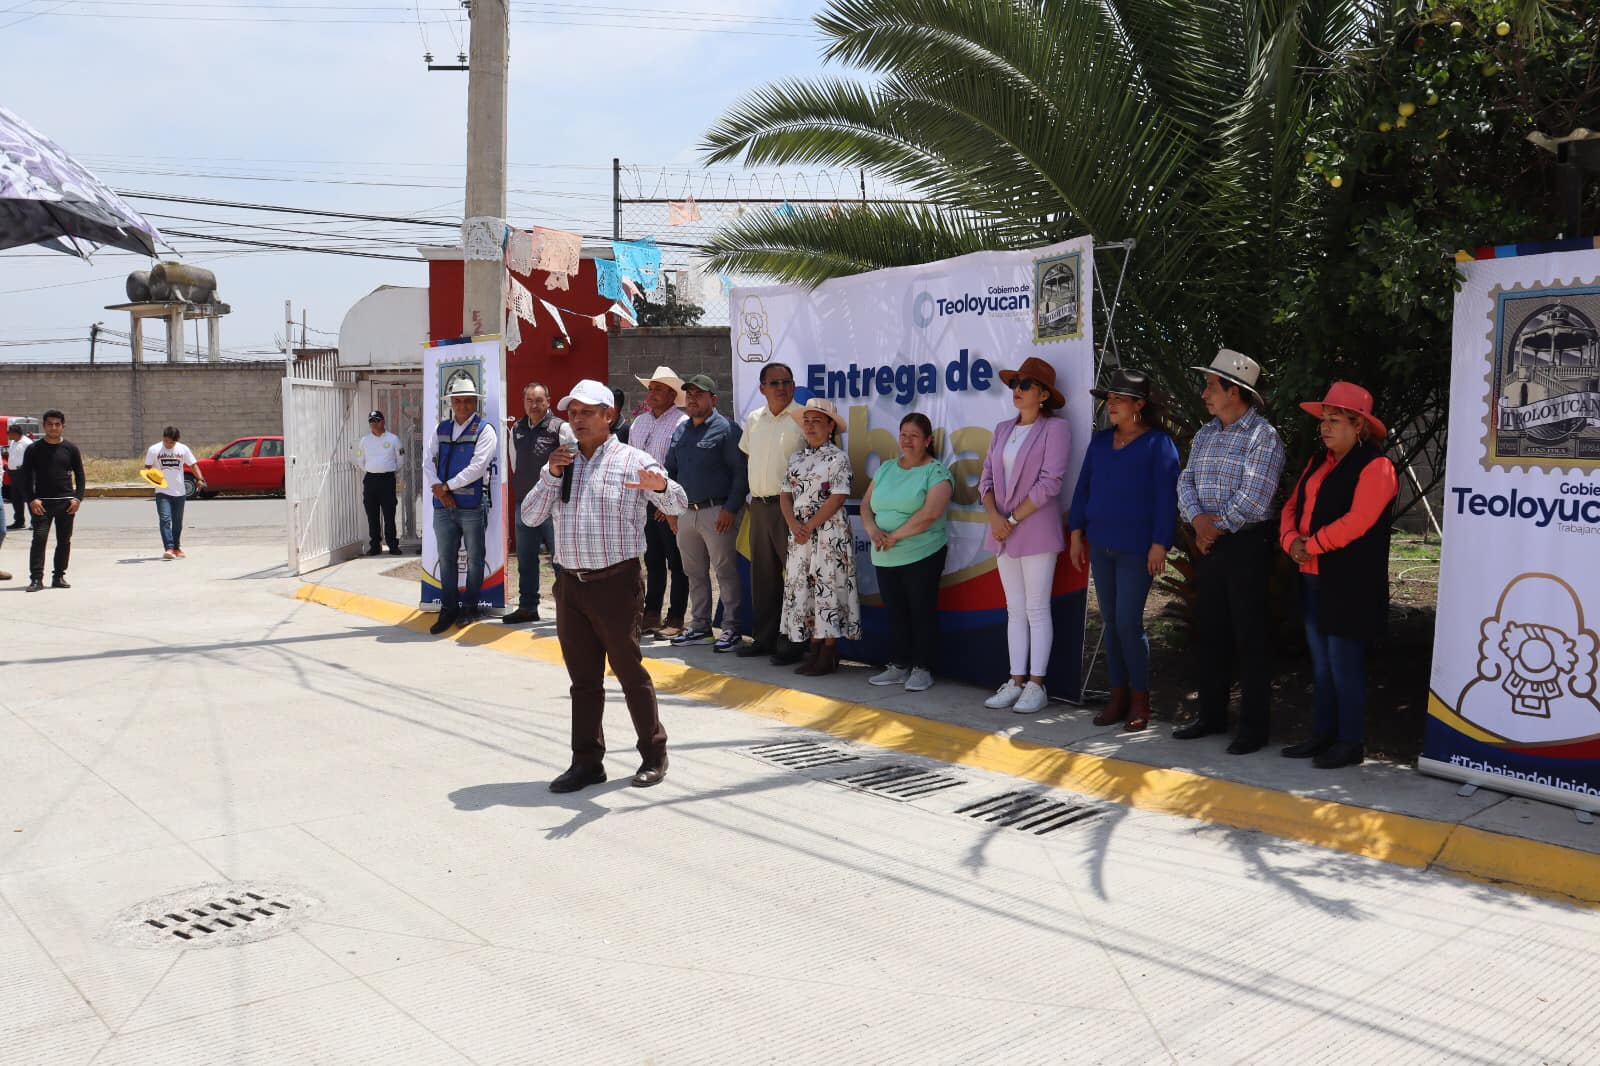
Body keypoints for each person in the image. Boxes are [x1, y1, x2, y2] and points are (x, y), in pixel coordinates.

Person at [520, 378, 688, 793]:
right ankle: (587, 762)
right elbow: (529, 516)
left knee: (629, 672)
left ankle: (654, 753)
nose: (577, 420)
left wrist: (662, 487)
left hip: (617, 584)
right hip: (570, 586)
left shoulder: (634, 460)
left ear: (609, 415)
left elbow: (679, 503)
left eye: (586, 412)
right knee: (583, 680)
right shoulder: (561, 463)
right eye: (572, 413)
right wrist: (551, 475)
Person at [1278, 382, 1397, 769]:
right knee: (1322, 664)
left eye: (1334, 420)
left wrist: (1310, 545)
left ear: (1358, 425)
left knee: (1344, 663)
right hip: (1313, 576)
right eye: (1323, 421)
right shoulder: (1317, 461)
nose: (1325, 428)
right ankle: (1323, 735)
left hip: (1351, 582)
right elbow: (1293, 506)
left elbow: (1359, 521)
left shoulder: (1377, 467)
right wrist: (1290, 539)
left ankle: (1350, 742)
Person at [1174, 349, 1287, 754]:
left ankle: (1253, 729)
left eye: (1211, 385)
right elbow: (1184, 482)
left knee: (1249, 636)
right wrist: (1199, 523)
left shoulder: (1263, 437)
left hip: (1244, 547)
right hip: (1210, 544)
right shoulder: (1205, 434)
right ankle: (1211, 716)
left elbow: (1255, 500)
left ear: (1235, 391)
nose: (1204, 392)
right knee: (1212, 632)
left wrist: (1210, 526)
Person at [1068, 368, 1181, 732]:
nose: (1111, 405)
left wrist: (1160, 543)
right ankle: (1117, 696)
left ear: (1139, 405)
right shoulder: (1100, 442)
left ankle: (1139, 699)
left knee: (1129, 623)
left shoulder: (1159, 445)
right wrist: (1076, 532)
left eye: (1118, 399)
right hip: (1101, 544)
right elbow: (1083, 488)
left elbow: (1167, 499)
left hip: (1137, 549)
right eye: (1109, 399)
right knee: (1110, 622)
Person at [978, 357, 1072, 714]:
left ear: (1044, 394)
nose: (1017, 390)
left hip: (1034, 529)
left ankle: (1037, 684)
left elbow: (1051, 483)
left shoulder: (1056, 430)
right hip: (1001, 528)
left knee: (1036, 608)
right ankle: (1015, 681)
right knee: (1014, 609)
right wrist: (994, 517)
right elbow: (985, 479)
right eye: (1015, 383)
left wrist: (1011, 519)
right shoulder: (1002, 429)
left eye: (1025, 385)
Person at [861, 413, 954, 693]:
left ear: (927, 440)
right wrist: (872, 531)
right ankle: (899, 666)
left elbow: (930, 514)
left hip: (922, 552)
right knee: (896, 611)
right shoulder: (886, 468)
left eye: (914, 435)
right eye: (903, 434)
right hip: (884, 552)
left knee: (921, 611)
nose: (907, 440)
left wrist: (894, 536)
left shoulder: (937, 473)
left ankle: (922, 668)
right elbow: (866, 504)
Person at [664, 374, 748, 652]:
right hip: (686, 513)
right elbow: (671, 472)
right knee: (694, 572)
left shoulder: (726, 429)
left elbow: (740, 473)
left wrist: (730, 508)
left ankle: (731, 628)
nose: (692, 400)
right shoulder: (681, 430)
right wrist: (671, 510)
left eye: (699, 395)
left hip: (717, 513)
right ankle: (700, 627)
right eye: (689, 395)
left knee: (725, 571)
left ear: (713, 399)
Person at [780, 398, 860, 676]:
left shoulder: (838, 457)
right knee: (806, 588)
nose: (811, 426)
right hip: (800, 536)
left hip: (828, 534)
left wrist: (810, 525)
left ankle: (828, 651)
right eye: (808, 421)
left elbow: (838, 497)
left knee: (829, 586)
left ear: (830, 427)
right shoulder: (796, 458)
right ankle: (813, 648)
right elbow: (785, 494)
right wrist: (794, 524)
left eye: (817, 421)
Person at [740, 362, 804, 664]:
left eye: (787, 382)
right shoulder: (754, 419)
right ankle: (764, 638)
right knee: (763, 578)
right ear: (762, 387)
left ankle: (794, 642)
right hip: (760, 507)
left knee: (795, 578)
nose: (782, 387)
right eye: (775, 382)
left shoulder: (804, 418)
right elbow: (750, 459)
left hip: (791, 509)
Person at [423, 378, 497, 635]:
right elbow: (428, 462)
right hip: (443, 506)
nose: (462, 405)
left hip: (472, 506)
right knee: (446, 560)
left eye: (467, 400)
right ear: (451, 403)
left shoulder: (485, 429)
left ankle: (470, 607)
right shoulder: (440, 429)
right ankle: (449, 608)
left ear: (475, 402)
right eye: (458, 400)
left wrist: (447, 487)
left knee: (475, 560)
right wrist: (438, 488)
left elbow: (477, 468)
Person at [629, 365, 690, 638]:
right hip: (643, 502)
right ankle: (651, 613)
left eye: (658, 389)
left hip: (669, 500)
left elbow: (681, 468)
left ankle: (676, 617)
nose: (652, 393)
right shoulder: (639, 423)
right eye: (651, 388)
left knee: (676, 562)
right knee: (652, 560)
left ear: (671, 394)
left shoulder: (681, 423)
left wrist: (669, 504)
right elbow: (630, 461)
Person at [504, 382, 562, 625]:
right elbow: (515, 464)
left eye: (539, 400)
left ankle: (569, 610)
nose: (534, 405)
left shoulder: (560, 428)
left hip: (554, 505)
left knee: (561, 560)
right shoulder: (516, 428)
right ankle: (528, 607)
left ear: (548, 401)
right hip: (525, 503)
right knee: (526, 560)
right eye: (529, 400)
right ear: (524, 402)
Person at [19, 409, 84, 593]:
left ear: (63, 426)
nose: (53, 428)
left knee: (64, 540)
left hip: (66, 503)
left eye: (57, 424)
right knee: (39, 539)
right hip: (42, 504)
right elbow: (26, 479)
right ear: (44, 426)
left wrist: (77, 498)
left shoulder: (70, 449)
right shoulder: (33, 449)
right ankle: (36, 579)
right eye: (50, 424)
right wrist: (32, 500)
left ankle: (59, 576)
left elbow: (80, 476)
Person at [142, 426, 205, 560]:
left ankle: (176, 547)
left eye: (171, 442)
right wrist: (152, 478)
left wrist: (200, 478)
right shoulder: (154, 450)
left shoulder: (183, 449)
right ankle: (169, 548)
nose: (168, 444)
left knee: (177, 522)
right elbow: (147, 468)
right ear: (163, 438)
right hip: (162, 491)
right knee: (165, 519)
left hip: (180, 492)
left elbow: (193, 465)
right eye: (166, 441)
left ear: (176, 441)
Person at [357, 411, 404, 556]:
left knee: (389, 514)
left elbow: (400, 460)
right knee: (372, 514)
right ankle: (375, 545)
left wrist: (388, 470)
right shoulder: (365, 440)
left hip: (387, 480)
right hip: (371, 480)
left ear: (383, 422)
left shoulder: (393, 439)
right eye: (371, 421)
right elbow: (360, 460)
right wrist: (373, 470)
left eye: (376, 421)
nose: (374, 424)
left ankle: (392, 545)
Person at [6, 424, 29, 529]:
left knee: (28, 497)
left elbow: (30, 459)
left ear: (15, 433)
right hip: (13, 473)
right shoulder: (12, 442)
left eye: (9, 433)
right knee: (16, 498)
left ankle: (35, 521)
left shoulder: (26, 443)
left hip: (23, 473)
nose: (8, 435)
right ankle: (19, 521)